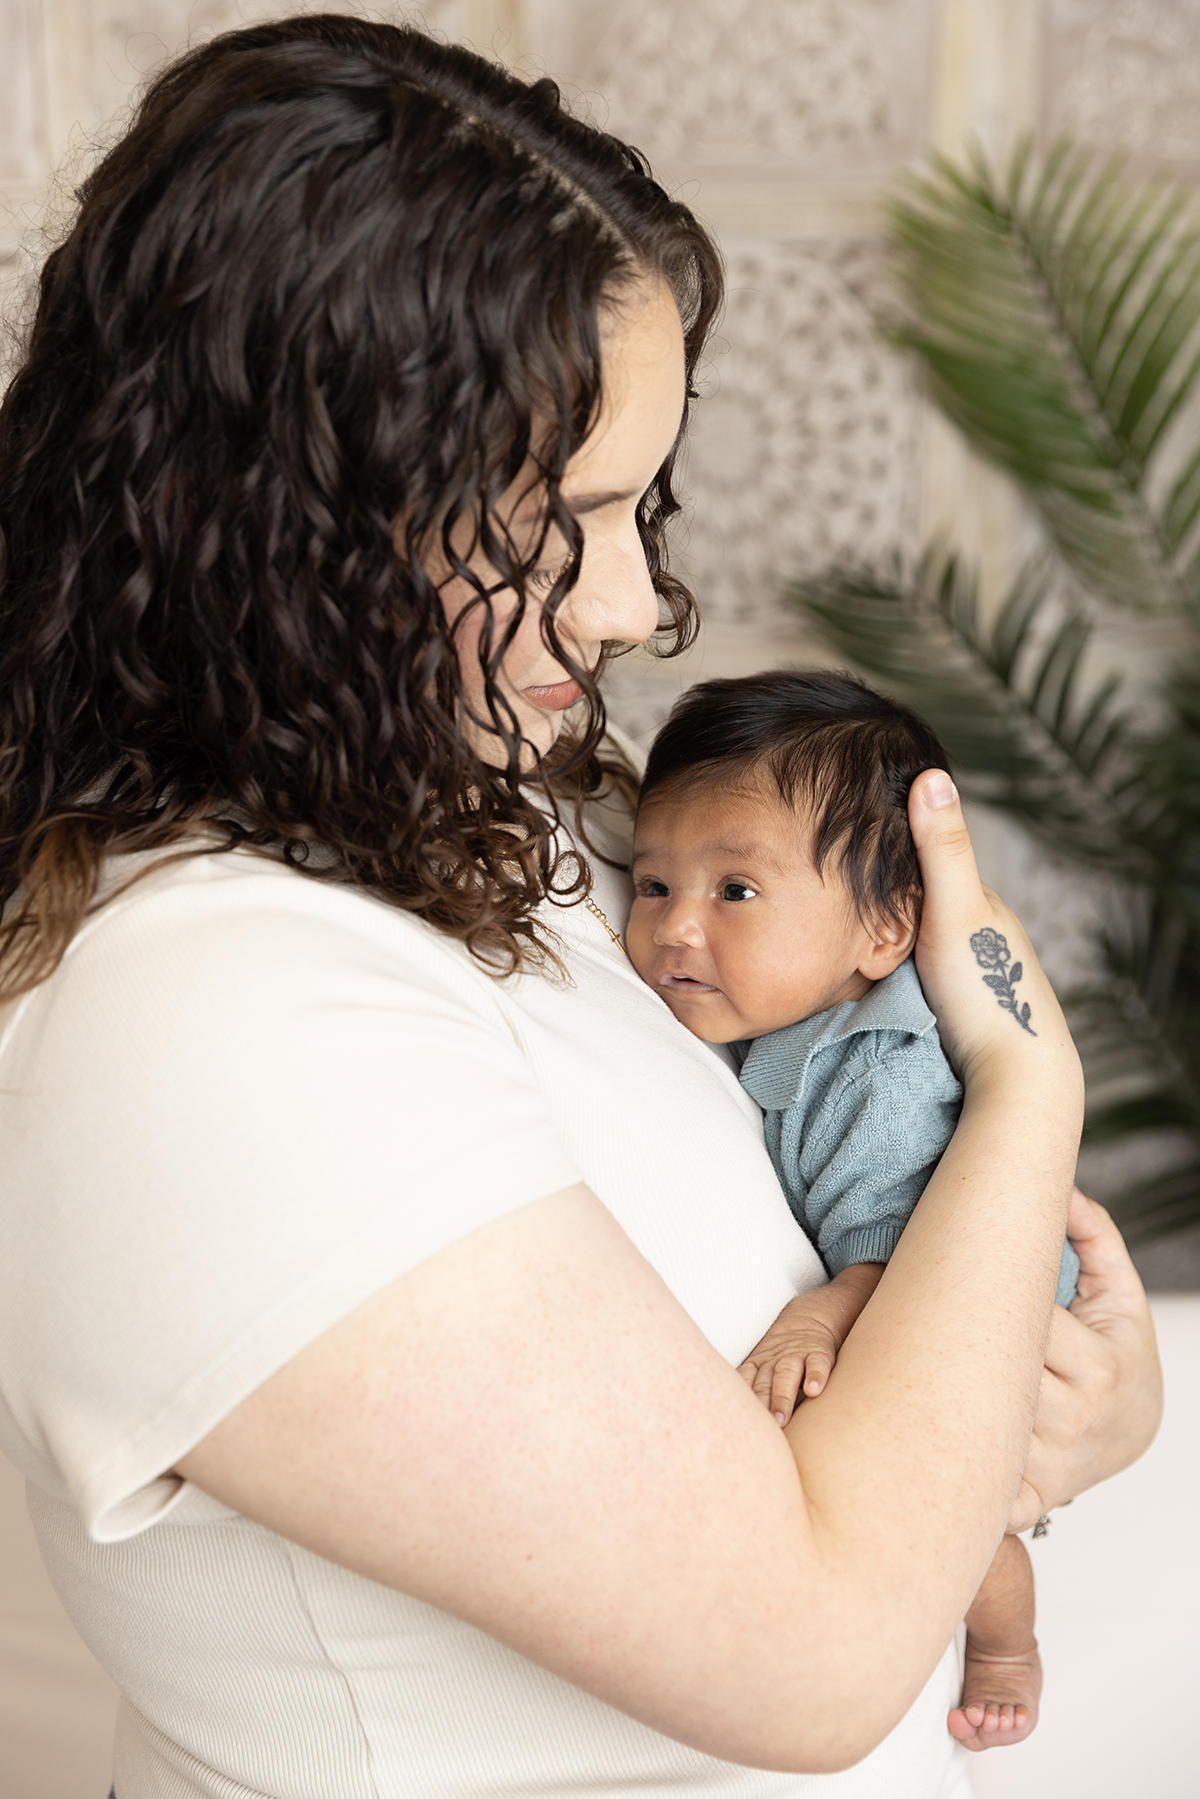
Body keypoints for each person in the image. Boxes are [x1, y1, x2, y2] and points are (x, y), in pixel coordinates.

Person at [0, 15, 1161, 1799]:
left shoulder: (486, 805)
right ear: (306, 516)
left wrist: (1066, 1399)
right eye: (570, 519)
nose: (629, 603)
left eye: (643, 504)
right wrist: (1031, 1099)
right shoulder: (206, 1022)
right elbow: (825, 1643)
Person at [625, 667, 1085, 1755]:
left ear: (884, 933)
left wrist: (814, 1318)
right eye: (651, 886)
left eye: (736, 892)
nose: (678, 929)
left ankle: (1006, 1645)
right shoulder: (774, 1012)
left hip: (978, 1294)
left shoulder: (878, 1070)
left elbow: (904, 1253)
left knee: (965, 1530)